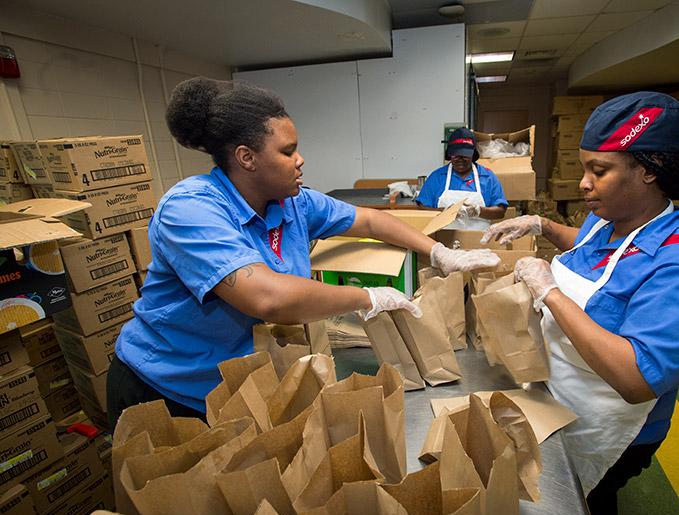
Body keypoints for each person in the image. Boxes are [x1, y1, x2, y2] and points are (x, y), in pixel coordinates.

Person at [107, 77, 499, 430]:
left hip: (240, 388)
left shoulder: (292, 203)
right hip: (167, 393)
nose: (300, 160)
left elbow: (369, 221)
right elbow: (267, 298)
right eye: (288, 151)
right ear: (247, 158)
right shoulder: (191, 209)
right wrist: (368, 297)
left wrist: (439, 253)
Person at [482, 92, 679, 515]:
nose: (583, 183)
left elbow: (636, 379)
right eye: (584, 168)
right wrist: (543, 226)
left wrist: (550, 293)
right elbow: (596, 251)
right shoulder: (611, 219)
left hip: (612, 426)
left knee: (585, 503)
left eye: (600, 170)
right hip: (559, 396)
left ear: (649, 170)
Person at [416, 128, 507, 230]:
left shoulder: (488, 177)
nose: (460, 160)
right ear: (450, 155)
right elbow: (422, 209)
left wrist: (478, 211)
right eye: (456, 155)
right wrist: (445, 212)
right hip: (444, 240)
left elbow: (500, 211)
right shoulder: (437, 177)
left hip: (478, 240)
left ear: (473, 154)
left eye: (465, 155)